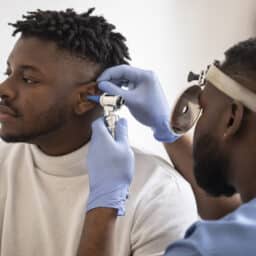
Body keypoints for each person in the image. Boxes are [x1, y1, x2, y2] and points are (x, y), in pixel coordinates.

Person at [0, 8, 198, 256]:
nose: (4, 89)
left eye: (28, 79)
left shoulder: (157, 194)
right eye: (9, 72)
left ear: (85, 97)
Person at [81, 37, 256, 255]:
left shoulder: (204, 250)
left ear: (231, 119)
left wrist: (104, 202)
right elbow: (232, 214)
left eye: (203, 109)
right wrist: (167, 131)